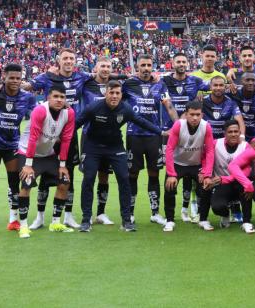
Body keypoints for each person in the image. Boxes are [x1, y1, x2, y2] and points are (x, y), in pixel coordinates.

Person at [75, 80, 164, 232]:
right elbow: (76, 123)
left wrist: (160, 132)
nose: (114, 96)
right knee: (89, 179)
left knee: (124, 178)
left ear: (121, 94)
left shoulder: (126, 109)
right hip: (93, 147)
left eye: (117, 93)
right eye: (111, 92)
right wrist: (60, 137)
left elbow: (140, 121)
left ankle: (126, 221)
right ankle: (86, 220)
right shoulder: (93, 107)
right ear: (106, 93)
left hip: (115, 147)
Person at [24, 48, 92, 230]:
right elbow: (25, 87)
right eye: (65, 58)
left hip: (69, 134)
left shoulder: (82, 77)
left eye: (72, 58)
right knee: (45, 179)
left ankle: (68, 216)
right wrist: (0, 84)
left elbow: (104, 74)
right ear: (58, 61)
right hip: (49, 136)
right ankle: (39, 217)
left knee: (67, 175)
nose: (69, 61)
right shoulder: (47, 77)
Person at [0, 64, 37, 236]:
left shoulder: (27, 98)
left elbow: (39, 115)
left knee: (13, 184)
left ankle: (13, 220)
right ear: (4, 77)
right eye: (12, 78)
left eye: (18, 78)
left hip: (13, 145)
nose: (15, 81)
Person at [123, 54, 178, 225]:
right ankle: (130, 213)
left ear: (152, 66)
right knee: (132, 174)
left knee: (154, 174)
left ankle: (155, 212)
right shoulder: (129, 84)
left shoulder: (159, 86)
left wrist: (177, 125)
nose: (146, 68)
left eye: (149, 65)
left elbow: (168, 106)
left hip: (154, 137)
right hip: (134, 135)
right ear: (137, 66)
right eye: (143, 65)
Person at [15, 85, 75, 238]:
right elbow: (33, 137)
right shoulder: (40, 110)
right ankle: (23, 226)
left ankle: (55, 222)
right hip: (28, 152)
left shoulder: (69, 113)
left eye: (62, 97)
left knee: (65, 182)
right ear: (48, 97)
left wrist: (62, 165)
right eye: (55, 96)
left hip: (48, 154)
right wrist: (28, 165)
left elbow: (67, 139)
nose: (59, 100)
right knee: (26, 183)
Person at [162, 52, 209, 222]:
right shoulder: (164, 81)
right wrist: (179, 123)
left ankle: (189, 206)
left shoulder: (195, 81)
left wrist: (230, 78)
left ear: (187, 63)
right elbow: (167, 103)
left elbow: (214, 85)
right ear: (172, 63)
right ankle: (172, 214)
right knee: (174, 166)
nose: (181, 64)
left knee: (191, 166)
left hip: (193, 127)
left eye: (184, 61)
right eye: (178, 61)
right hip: (172, 131)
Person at [81, 57, 129, 226]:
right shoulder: (85, 82)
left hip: (110, 139)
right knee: (88, 177)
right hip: (89, 137)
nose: (105, 69)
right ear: (96, 67)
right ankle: (82, 216)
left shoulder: (116, 86)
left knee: (104, 177)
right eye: (102, 66)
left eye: (108, 66)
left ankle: (101, 213)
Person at [163, 101, 214, 232]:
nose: (195, 118)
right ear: (186, 114)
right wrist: (171, 174)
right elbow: (169, 149)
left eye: (198, 114)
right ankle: (169, 221)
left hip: (196, 165)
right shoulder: (178, 125)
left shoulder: (206, 126)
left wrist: (207, 174)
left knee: (207, 186)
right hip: (178, 163)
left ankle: (203, 219)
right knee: (169, 187)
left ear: (202, 114)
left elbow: (209, 151)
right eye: (192, 114)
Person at [202, 119, 254, 233]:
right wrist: (204, 173)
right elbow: (205, 158)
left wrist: (225, 179)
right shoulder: (216, 144)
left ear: (240, 132)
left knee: (247, 186)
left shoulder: (246, 146)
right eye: (230, 132)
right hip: (221, 185)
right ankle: (225, 214)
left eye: (236, 131)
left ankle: (247, 222)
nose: (234, 134)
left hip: (239, 183)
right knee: (217, 207)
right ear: (225, 133)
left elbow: (247, 171)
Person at [227, 72, 255, 141]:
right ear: (242, 81)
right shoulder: (234, 91)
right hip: (237, 133)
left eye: (253, 80)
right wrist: (226, 85)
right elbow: (218, 90)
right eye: (247, 80)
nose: (250, 83)